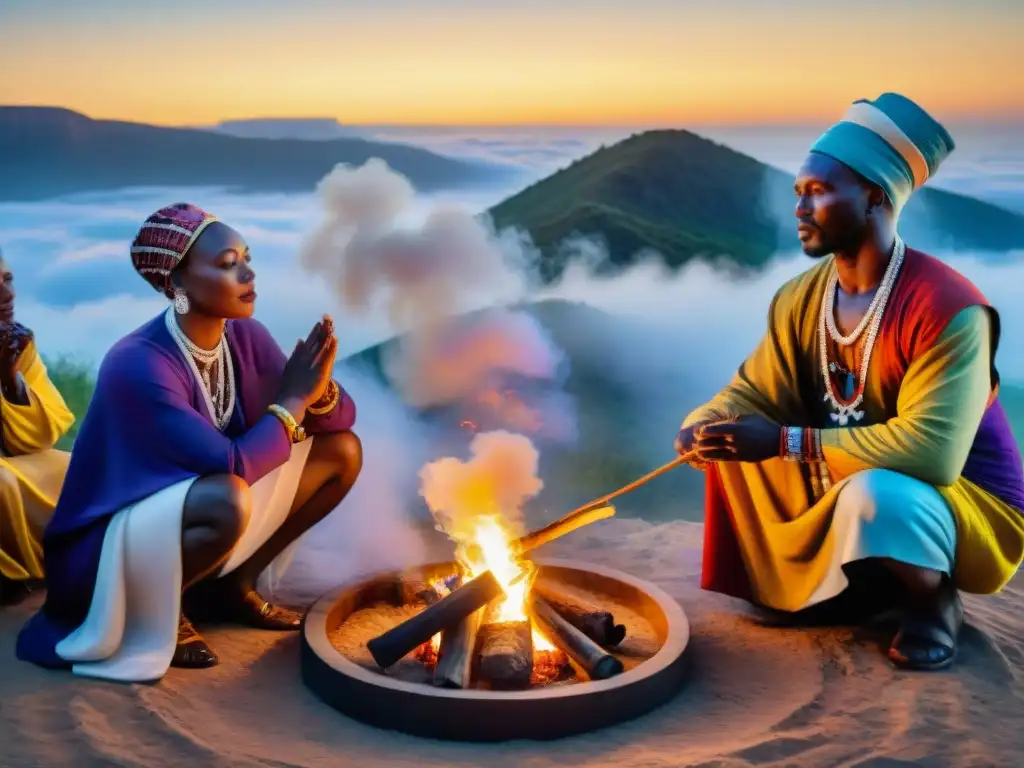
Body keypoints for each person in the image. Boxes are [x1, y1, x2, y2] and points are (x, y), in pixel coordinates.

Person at [675, 93, 1024, 672]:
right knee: (736, 444)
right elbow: (756, 390)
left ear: (874, 197)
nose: (800, 208)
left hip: (962, 504)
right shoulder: (799, 298)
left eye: (817, 191)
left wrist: (790, 442)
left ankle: (930, 598)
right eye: (798, 193)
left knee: (876, 494)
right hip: (852, 473)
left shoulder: (950, 308)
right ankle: (849, 586)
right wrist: (705, 423)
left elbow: (932, 456)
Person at [16, 203, 363, 682]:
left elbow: (339, 421)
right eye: (227, 264)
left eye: (246, 257)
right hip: (104, 555)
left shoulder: (244, 336)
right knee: (228, 496)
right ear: (177, 284)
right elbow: (235, 462)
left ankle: (231, 588)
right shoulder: (138, 363)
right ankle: (159, 609)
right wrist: (294, 397)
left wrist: (315, 385)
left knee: (341, 452)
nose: (248, 273)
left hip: (194, 510)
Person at [1, 248, 76, 606]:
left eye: (8, 279)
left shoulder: (15, 341)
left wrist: (10, 379)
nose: (7, 295)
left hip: (11, 462)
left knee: (80, 470)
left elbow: (44, 434)